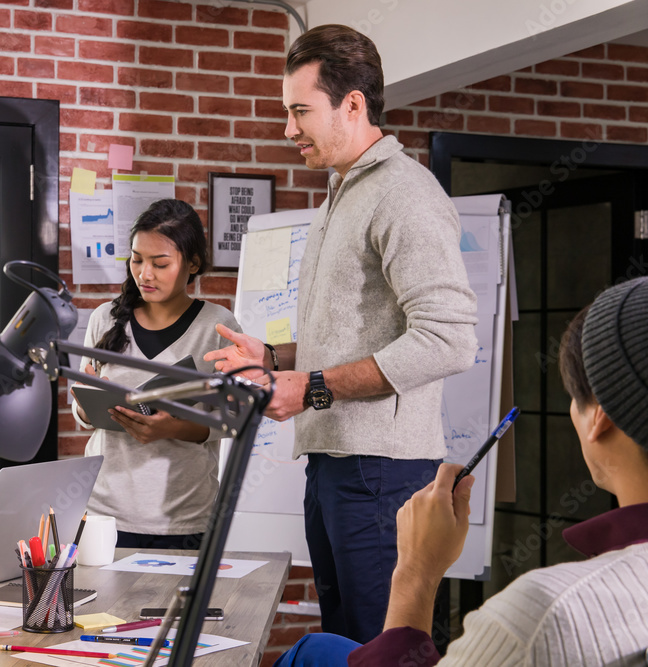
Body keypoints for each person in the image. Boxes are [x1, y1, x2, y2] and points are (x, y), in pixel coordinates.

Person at [205, 24, 478, 643]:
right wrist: (273, 356)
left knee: (381, 648)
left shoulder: (405, 194)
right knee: (347, 647)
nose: (288, 129)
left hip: (382, 475)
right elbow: (356, 335)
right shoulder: (343, 191)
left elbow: (449, 338)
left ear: (352, 104)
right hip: (335, 466)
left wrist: (312, 388)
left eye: (300, 111)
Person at [274, 276, 648, 666]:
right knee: (317, 649)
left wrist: (416, 573)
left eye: (575, 397)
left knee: (306, 655)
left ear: (598, 419)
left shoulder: (542, 617)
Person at [72, 198, 242, 550]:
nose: (144, 274)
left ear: (192, 264)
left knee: (176, 608)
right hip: (104, 512)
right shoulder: (104, 318)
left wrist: (175, 428)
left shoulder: (218, 325)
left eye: (160, 264)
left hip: (184, 515)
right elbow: (84, 417)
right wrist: (87, 401)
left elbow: (235, 418)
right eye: (136, 259)